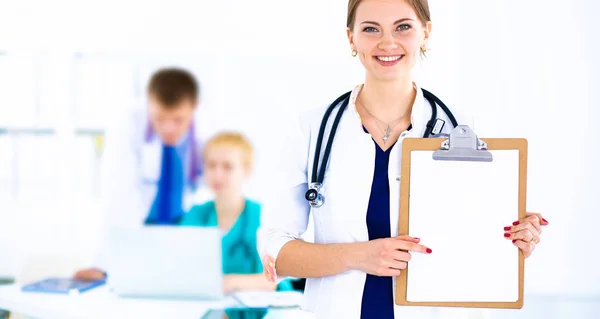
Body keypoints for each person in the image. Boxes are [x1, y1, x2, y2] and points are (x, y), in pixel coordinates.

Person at [259, 0, 549, 318]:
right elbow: (276, 249)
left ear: (426, 33)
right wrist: (359, 256)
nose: (387, 43)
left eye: (403, 27)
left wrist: (515, 239)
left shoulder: (464, 131)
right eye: (370, 29)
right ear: (351, 38)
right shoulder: (313, 128)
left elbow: (474, 243)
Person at [74, 67, 207, 281]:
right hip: (142, 231)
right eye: (160, 118)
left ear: (194, 107)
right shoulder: (128, 126)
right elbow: (118, 198)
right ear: (148, 105)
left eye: (178, 119)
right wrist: (105, 264)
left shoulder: (208, 131)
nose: (169, 128)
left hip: (188, 234)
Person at [179, 132, 293, 293]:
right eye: (211, 165)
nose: (217, 174)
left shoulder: (261, 216)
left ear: (246, 171)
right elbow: (178, 266)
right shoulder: (196, 214)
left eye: (227, 167)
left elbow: (273, 279)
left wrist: (230, 282)